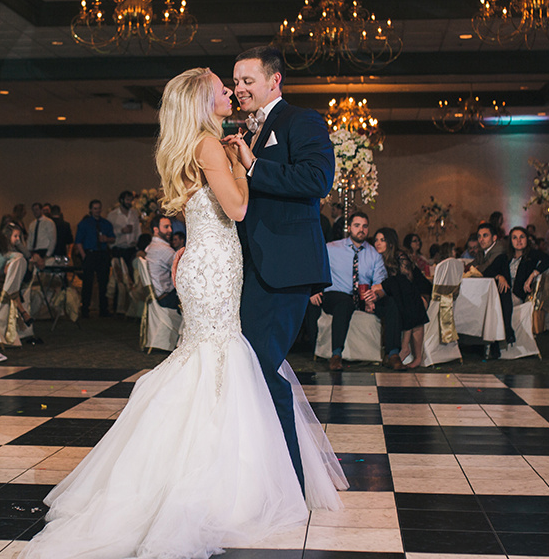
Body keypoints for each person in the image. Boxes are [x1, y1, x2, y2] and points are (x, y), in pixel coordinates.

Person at [21, 66, 344, 559]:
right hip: (215, 266)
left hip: (211, 263)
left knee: (216, 362)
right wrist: (244, 160)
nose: (230, 91)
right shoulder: (211, 145)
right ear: (201, 99)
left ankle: (217, 468)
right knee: (222, 362)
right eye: (222, 86)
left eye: (235, 83)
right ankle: (225, 480)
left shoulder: (194, 144)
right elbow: (237, 208)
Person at [224, 45, 337, 491]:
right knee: (252, 367)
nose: (239, 89)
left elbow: (317, 180)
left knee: (258, 365)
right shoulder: (247, 128)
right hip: (254, 266)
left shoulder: (300, 120)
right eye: (235, 82)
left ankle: (288, 481)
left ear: (274, 81)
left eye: (247, 81)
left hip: (286, 267)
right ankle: (272, 475)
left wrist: (253, 165)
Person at [305, 212, 391, 370]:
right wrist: (313, 289)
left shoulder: (374, 255)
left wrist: (375, 296)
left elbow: (380, 283)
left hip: (361, 297)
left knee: (391, 303)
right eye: (357, 225)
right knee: (344, 302)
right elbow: (314, 267)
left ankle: (393, 354)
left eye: (365, 226)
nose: (361, 230)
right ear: (350, 228)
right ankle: (336, 355)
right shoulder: (332, 248)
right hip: (334, 295)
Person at [374, 227, 430, 368]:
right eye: (376, 240)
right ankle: (405, 348)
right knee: (403, 302)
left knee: (411, 303)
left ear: (391, 243)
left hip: (419, 291)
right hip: (404, 296)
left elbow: (406, 281)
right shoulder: (377, 258)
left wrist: (382, 286)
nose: (378, 243)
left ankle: (415, 355)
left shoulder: (400, 256)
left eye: (382, 240)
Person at [75, 199, 114, 317]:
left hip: (102, 253)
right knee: (88, 283)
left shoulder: (106, 223)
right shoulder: (84, 223)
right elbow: (78, 241)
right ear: (91, 210)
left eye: (99, 208)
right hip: (90, 254)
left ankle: (103, 308)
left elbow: (113, 238)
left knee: (103, 282)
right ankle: (85, 308)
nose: (97, 211)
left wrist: (106, 239)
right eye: (95, 208)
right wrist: (84, 256)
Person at [144, 213, 179, 309]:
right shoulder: (162, 249)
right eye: (166, 227)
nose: (170, 230)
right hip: (166, 298)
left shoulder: (151, 246)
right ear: (156, 230)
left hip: (158, 295)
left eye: (170, 227)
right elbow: (181, 269)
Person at [108, 190, 140, 266]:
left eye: (131, 200)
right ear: (121, 200)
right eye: (127, 200)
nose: (130, 202)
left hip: (131, 249)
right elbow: (109, 232)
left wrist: (137, 241)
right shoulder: (113, 215)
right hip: (119, 248)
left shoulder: (134, 213)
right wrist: (121, 231)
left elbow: (138, 229)